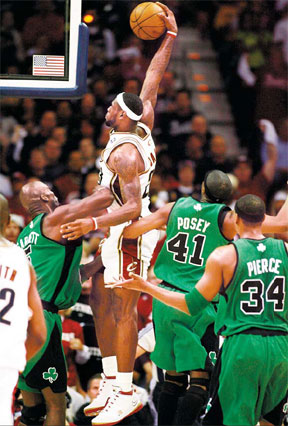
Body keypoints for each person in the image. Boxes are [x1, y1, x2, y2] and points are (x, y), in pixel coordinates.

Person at [60, 4, 178, 424]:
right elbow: (152, 79)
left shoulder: (126, 153)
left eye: (112, 107)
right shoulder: (137, 123)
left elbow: (128, 207)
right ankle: (111, 379)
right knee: (99, 299)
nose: (107, 108)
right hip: (116, 233)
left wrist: (90, 223)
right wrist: (169, 39)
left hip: (130, 231)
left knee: (123, 309)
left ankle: (127, 390)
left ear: (121, 118)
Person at [109, 171, 288, 425]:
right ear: (229, 201)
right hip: (197, 304)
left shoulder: (175, 208)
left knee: (171, 379)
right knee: (201, 381)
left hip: (165, 299)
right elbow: (280, 225)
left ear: (202, 188)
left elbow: (131, 232)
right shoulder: (227, 220)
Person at [16, 181, 112, 426]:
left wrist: (103, 259)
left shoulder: (25, 236)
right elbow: (104, 199)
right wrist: (109, 180)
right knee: (57, 403)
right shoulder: (54, 219)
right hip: (40, 321)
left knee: (32, 410)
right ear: (47, 196)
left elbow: (70, 275)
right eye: (51, 190)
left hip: (19, 322)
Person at [0, 194, 46, 425]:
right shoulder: (22, 261)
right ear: (7, 221)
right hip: (6, 359)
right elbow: (39, 333)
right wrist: (15, 358)